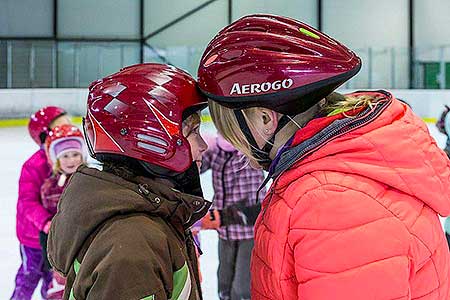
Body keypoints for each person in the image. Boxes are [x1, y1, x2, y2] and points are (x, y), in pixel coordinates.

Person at [197, 14, 450, 300]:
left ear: (266, 119)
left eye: (231, 130)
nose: (233, 145)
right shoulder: (327, 172)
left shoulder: (334, 204)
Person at [47, 63, 211, 299]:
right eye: (193, 131)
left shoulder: (146, 219)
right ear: (151, 138)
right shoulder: (132, 246)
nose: (203, 145)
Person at [11, 106, 71, 300]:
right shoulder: (34, 166)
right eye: (60, 128)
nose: (67, 131)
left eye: (68, 126)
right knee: (29, 276)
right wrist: (45, 223)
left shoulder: (69, 161)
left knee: (52, 279)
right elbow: (27, 202)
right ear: (45, 136)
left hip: (56, 239)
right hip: (33, 238)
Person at [199, 133, 265, 300]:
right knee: (224, 282)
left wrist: (223, 216)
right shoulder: (218, 151)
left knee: (242, 288)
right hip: (226, 232)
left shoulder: (254, 149)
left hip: (249, 233)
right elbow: (196, 166)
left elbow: (259, 206)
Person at [40, 124, 87, 299]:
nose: (71, 160)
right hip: (62, 248)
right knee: (61, 285)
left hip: (85, 244)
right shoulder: (50, 187)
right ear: (56, 159)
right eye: (65, 156)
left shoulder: (92, 180)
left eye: (75, 154)